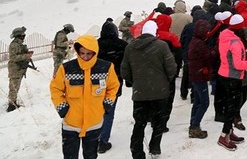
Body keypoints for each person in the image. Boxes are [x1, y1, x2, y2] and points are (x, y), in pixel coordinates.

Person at [50, 35, 120, 159]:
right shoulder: (67, 68)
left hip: (94, 123)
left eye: (89, 54)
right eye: (82, 53)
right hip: (71, 123)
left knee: (91, 156)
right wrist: (63, 108)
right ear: (77, 51)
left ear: (95, 52)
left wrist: (106, 105)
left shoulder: (106, 67)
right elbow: (56, 89)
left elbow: (113, 87)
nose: (85, 57)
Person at [121, 20, 177, 159]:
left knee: (139, 124)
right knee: (158, 122)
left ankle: (137, 152)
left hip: (140, 93)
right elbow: (172, 68)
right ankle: (155, 147)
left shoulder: (130, 47)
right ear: (155, 31)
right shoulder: (162, 46)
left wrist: (136, 82)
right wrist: (166, 81)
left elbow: (124, 71)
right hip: (160, 92)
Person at [216, 14, 247, 151]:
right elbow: (238, 64)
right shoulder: (236, 42)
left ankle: (229, 132)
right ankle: (224, 135)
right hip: (233, 77)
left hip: (223, 74)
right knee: (232, 107)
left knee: (230, 106)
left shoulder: (224, 35)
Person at [96, 20, 128, 153]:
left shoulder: (95, 45)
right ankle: (103, 141)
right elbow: (126, 64)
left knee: (96, 110)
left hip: (96, 82)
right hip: (115, 82)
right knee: (109, 111)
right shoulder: (122, 45)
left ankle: (94, 136)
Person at [188, 19, 216, 139]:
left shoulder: (195, 41)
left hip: (195, 74)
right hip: (200, 75)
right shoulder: (199, 43)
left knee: (198, 101)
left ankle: (193, 124)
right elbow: (209, 56)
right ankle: (195, 126)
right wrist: (216, 50)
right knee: (205, 102)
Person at [7, 26, 33, 112]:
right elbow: (13, 57)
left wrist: (27, 54)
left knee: (16, 87)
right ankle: (11, 105)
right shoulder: (14, 45)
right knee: (14, 87)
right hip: (15, 69)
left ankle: (13, 102)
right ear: (19, 35)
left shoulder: (19, 44)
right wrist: (26, 56)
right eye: (23, 35)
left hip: (19, 69)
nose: (24, 36)